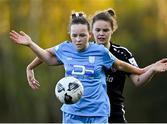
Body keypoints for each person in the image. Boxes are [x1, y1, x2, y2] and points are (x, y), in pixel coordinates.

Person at [9, 12, 145, 123]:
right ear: (70, 35)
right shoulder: (65, 48)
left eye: (82, 35)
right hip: (72, 113)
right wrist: (30, 44)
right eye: (74, 35)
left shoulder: (100, 51)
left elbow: (120, 64)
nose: (78, 39)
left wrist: (142, 70)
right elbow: (48, 57)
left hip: (97, 113)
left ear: (90, 34)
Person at [91, 8, 167, 123]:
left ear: (112, 30)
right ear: (91, 31)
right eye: (97, 30)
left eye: (105, 30)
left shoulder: (122, 53)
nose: (101, 34)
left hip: (114, 113)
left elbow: (138, 79)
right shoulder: (83, 53)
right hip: (89, 113)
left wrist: (152, 70)